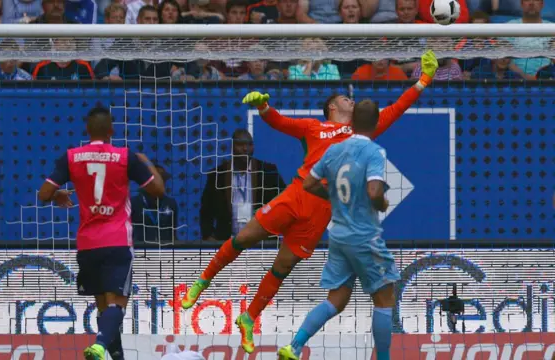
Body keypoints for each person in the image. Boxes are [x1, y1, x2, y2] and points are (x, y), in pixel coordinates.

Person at [181, 50, 439, 353]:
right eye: (346, 98)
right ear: (332, 106)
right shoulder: (313, 127)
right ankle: (202, 281)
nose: (351, 101)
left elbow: (398, 108)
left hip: (321, 213)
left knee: (283, 266)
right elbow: (279, 122)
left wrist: (423, 80)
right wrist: (264, 108)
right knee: (244, 238)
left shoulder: (362, 131)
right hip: (297, 195)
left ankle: (249, 318)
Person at [37, 107, 165, 360]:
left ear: (87, 130)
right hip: (117, 240)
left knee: (103, 307)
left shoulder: (72, 157)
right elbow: (158, 190)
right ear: (111, 131)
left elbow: (43, 194)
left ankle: (114, 355)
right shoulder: (125, 157)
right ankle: (99, 344)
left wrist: (58, 195)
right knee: (117, 304)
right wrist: (146, 161)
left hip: (88, 243)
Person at [277, 99, 397, 360]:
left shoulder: (333, 151)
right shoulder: (374, 152)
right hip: (365, 237)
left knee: (336, 300)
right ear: (376, 123)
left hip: (339, 237)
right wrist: (382, 201)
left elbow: (308, 183)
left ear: (352, 123)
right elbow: (374, 191)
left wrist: (332, 194)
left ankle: (294, 346)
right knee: (385, 300)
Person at [200, 129, 285, 242]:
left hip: (262, 243)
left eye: (249, 144)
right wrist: (208, 236)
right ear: (232, 147)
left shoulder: (268, 172)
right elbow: (206, 211)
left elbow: (284, 202)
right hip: (227, 243)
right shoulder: (217, 175)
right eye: (240, 144)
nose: (245, 149)